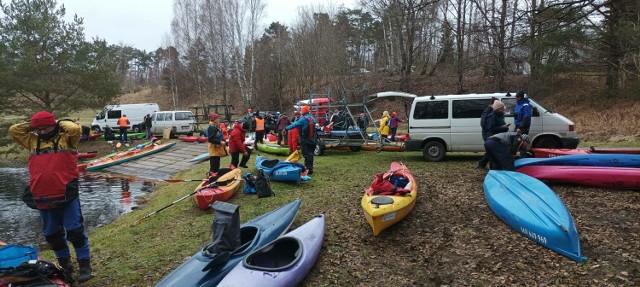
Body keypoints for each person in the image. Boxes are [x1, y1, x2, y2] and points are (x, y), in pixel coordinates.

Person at [8, 111, 94, 282]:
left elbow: (74, 128)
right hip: (42, 194)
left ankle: (85, 265)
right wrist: (36, 124)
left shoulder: (67, 138)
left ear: (53, 125)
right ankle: (66, 265)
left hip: (66, 193)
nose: (41, 132)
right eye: (38, 129)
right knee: (52, 234)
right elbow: (14, 130)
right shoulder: (32, 141)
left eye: (45, 128)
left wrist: (57, 122)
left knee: (75, 231)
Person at [285, 105, 317, 174]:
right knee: (310, 154)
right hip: (313, 139)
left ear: (303, 111)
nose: (300, 112)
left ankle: (309, 169)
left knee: (306, 154)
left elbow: (294, 125)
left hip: (305, 139)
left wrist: (285, 128)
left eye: (301, 110)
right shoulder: (312, 118)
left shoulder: (303, 119)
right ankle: (309, 167)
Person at [477, 97, 499, 169]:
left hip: (488, 133)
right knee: (491, 150)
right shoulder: (487, 111)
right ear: (493, 103)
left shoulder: (491, 110)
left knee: (490, 150)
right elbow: (482, 123)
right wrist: (490, 128)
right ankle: (483, 164)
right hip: (487, 134)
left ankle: (482, 164)